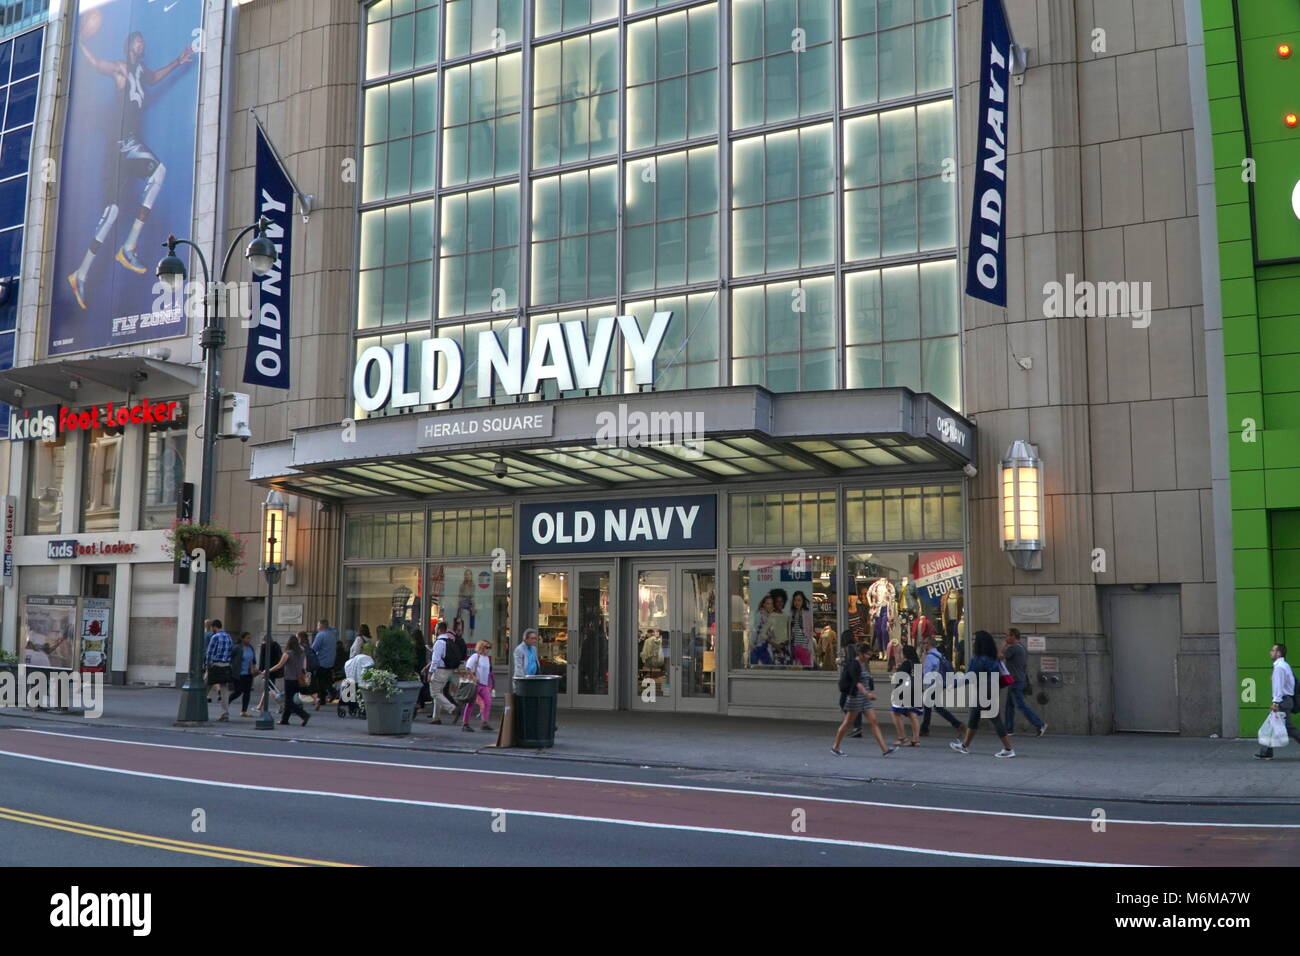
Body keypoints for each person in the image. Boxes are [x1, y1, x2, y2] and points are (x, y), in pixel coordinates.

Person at [65, 19, 194, 309]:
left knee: (111, 212)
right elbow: (98, 64)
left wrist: (178, 61)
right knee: (159, 171)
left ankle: (80, 273)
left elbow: (154, 77)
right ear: (129, 45)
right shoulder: (121, 68)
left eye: (143, 41)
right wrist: (81, 43)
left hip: (122, 149)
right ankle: (128, 246)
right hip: (123, 143)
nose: (142, 44)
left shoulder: (141, 72)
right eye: (138, 40)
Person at [950, 630, 1014, 757]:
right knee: (974, 716)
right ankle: (965, 745)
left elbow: (969, 676)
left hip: (984, 689)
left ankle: (1008, 749)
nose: (973, 643)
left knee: (995, 718)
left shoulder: (978, 659)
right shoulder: (993, 658)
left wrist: (954, 685)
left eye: (975, 641)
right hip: (993, 688)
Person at [831, 644, 896, 757]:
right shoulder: (854, 665)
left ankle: (885, 749)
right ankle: (835, 746)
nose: (869, 656)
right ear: (860, 654)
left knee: (874, 721)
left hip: (864, 698)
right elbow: (857, 682)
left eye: (870, 654)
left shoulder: (863, 664)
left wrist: (867, 694)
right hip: (856, 697)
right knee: (847, 723)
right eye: (867, 654)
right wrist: (867, 694)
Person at [1256, 644, 1300, 759]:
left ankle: (1266, 752)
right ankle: (1266, 752)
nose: (1270, 652)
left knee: (1288, 727)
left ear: (1279, 653)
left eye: (1273, 650)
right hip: (1285, 700)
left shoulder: (1279, 667)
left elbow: (1279, 687)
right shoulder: (1283, 665)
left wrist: (1275, 702)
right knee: (1271, 724)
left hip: (1283, 701)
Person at [1002, 628, 1046, 737]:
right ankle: (1009, 729)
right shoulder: (1022, 648)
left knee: (1021, 705)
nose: (1006, 638)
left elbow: (999, 656)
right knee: (1009, 705)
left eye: (1007, 636)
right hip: (1018, 679)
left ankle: (1040, 724)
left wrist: (1003, 644)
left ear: (1013, 636)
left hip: (1015, 681)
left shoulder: (1013, 648)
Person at [919, 636, 965, 738]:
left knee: (934, 706)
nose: (923, 645)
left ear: (929, 644)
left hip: (934, 684)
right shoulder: (939, 654)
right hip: (940, 683)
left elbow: (926, 672)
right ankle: (925, 729)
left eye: (925, 643)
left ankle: (957, 724)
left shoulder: (930, 657)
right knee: (932, 706)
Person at [268, 633, 310, 726]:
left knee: (288, 702)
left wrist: (268, 670)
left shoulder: (288, 653)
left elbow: (279, 665)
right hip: (299, 679)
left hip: (289, 679)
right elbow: (304, 667)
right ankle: (284, 720)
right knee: (289, 700)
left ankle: (304, 715)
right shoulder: (302, 652)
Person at [426, 622, 461, 724]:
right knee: (439, 692)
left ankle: (452, 708)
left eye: (436, 628)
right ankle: (436, 717)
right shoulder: (449, 641)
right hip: (448, 670)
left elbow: (435, 660)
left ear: (439, 630)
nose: (435, 630)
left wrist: (430, 673)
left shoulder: (439, 642)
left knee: (434, 693)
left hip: (440, 670)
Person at [890, 644, 923, 746]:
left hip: (904, 691)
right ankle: (916, 740)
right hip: (916, 691)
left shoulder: (906, 663)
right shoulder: (917, 664)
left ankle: (902, 737)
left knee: (895, 713)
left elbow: (899, 677)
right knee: (912, 714)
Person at [203, 618, 234, 722]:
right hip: (225, 666)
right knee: (224, 690)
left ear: (214, 627)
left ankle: (199, 709)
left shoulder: (215, 637)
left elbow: (209, 653)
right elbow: (231, 651)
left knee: (205, 687)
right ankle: (225, 713)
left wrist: (207, 665)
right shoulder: (229, 637)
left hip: (215, 665)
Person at [461, 640, 494, 732]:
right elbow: (468, 667)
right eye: (486, 647)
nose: (488, 649)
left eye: (489, 648)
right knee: (470, 703)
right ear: (481, 647)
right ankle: (465, 723)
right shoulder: (476, 656)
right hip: (475, 684)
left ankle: (484, 722)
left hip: (484, 684)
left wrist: (490, 684)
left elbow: (488, 672)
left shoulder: (487, 658)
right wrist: (473, 677)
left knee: (488, 702)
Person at [309, 619, 338, 710]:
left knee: (319, 681)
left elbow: (314, 648)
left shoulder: (321, 635)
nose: (317, 627)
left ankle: (322, 698)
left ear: (321, 626)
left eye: (318, 625)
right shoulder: (333, 633)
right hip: (331, 661)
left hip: (321, 661)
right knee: (327, 680)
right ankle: (330, 693)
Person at [230, 632, 258, 717]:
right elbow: (230, 658)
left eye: (250, 638)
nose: (249, 640)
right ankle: (226, 702)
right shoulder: (237, 648)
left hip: (248, 673)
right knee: (238, 691)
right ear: (242, 638)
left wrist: (253, 668)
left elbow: (253, 660)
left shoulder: (250, 648)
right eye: (247, 638)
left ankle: (244, 711)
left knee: (247, 692)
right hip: (239, 673)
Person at [255, 633, 283, 712]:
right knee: (268, 688)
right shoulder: (276, 646)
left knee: (270, 689)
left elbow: (262, 659)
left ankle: (282, 705)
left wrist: (261, 670)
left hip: (267, 670)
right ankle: (260, 705)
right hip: (274, 670)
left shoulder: (264, 646)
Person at [788, 590, 814, 667]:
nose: (797, 602)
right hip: (794, 646)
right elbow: (790, 630)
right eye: (795, 600)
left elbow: (810, 630)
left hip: (804, 646)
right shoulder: (792, 613)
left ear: (803, 601)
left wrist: (808, 645)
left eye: (799, 600)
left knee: (806, 667)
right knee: (796, 668)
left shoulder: (807, 613)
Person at [411, 628, 430, 714]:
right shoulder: (423, 646)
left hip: (417, 667)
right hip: (423, 666)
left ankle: (419, 703)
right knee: (422, 685)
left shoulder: (414, 647)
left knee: (417, 685)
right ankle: (421, 704)